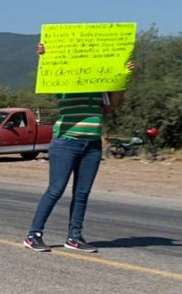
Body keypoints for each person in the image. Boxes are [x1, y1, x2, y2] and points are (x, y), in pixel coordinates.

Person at [25, 44, 134, 252]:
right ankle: (33, 235)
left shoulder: (99, 83)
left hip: (92, 144)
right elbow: (48, 76)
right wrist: (44, 58)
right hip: (66, 142)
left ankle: (74, 237)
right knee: (55, 189)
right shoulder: (65, 81)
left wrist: (123, 77)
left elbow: (112, 105)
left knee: (82, 193)